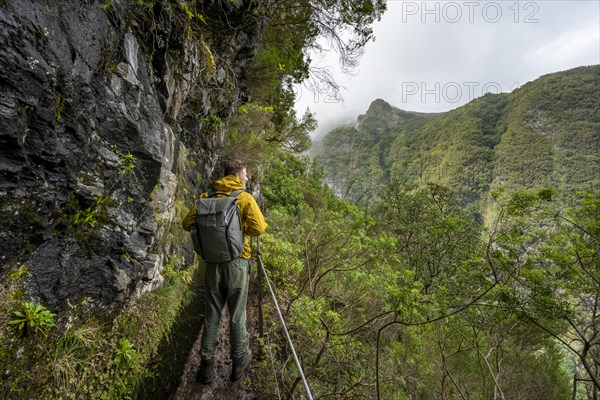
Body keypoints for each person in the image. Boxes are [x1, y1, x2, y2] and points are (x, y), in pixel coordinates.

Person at [182, 159, 267, 384]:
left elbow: (186, 222)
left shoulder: (206, 198)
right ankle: (239, 360)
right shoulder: (244, 198)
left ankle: (206, 366)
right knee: (237, 314)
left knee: (212, 314)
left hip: (212, 265)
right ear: (237, 175)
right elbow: (259, 228)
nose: (247, 179)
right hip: (237, 263)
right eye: (245, 175)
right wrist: (241, 232)